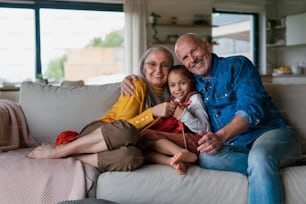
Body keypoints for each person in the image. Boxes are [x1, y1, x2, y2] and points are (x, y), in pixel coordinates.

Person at [121, 33, 302, 204]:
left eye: (194, 51)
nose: (192, 59)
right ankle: (266, 165)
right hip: (235, 148)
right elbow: (163, 80)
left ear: (206, 46)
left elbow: (251, 109)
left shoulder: (237, 65)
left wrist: (220, 137)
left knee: (260, 156)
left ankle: (267, 161)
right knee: (208, 159)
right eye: (185, 58)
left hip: (269, 133)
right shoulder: (190, 81)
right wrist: (132, 79)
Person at [27, 45, 177, 172]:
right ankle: (60, 150)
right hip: (102, 132)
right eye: (152, 64)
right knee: (127, 131)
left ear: (171, 69)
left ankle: (73, 158)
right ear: (143, 68)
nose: (158, 70)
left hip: (126, 145)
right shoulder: (137, 84)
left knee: (132, 157)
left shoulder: (174, 93)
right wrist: (152, 113)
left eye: (165, 65)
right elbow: (122, 125)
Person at [140, 64, 211, 175]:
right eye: (172, 85)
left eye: (182, 83)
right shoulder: (175, 100)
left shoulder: (194, 98)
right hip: (181, 141)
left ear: (191, 82)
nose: (177, 89)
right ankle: (172, 162)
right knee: (141, 148)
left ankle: (182, 153)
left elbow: (204, 128)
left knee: (147, 135)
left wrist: (183, 114)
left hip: (196, 142)